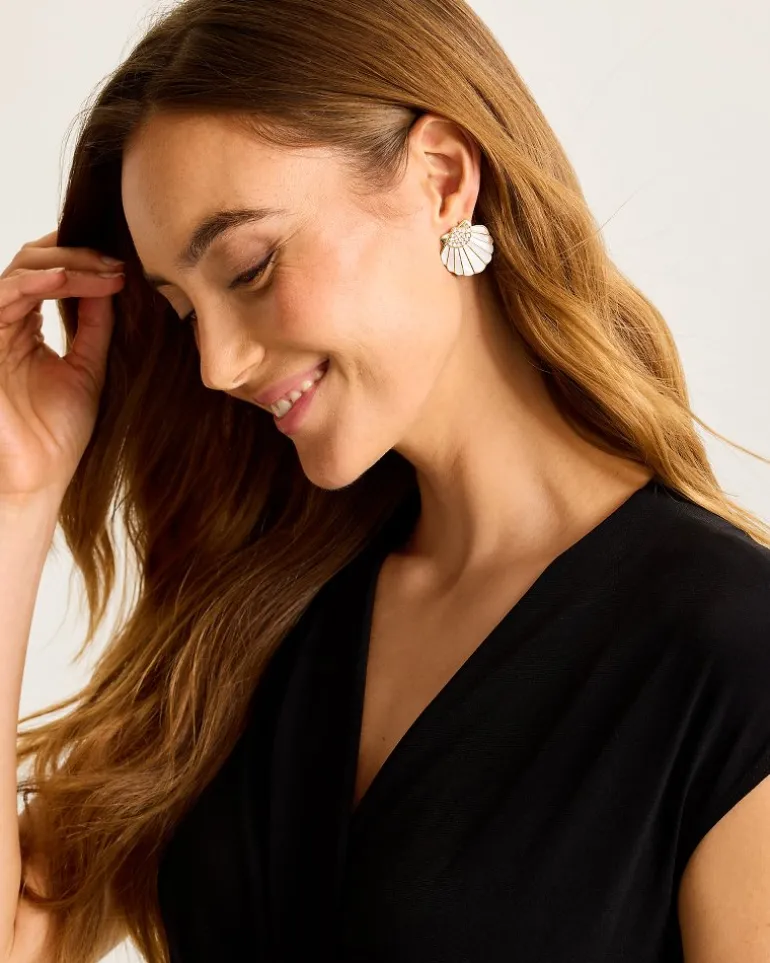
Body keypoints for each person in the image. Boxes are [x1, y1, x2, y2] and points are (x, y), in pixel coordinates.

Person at [3, 0, 770, 961]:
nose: (216, 365)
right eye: (183, 311)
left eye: (248, 265)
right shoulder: (259, 612)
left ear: (443, 180)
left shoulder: (728, 653)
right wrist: (17, 496)